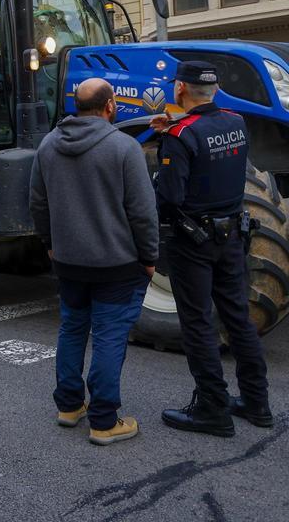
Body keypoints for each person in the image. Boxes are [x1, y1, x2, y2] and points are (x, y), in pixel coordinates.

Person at [29, 78, 158, 446]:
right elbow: (143, 213)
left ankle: (69, 406)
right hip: (116, 265)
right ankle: (103, 420)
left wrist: (50, 244)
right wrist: (149, 257)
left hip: (69, 262)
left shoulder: (48, 146)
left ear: (75, 105)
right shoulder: (124, 147)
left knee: (72, 329)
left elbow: (37, 202)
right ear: (111, 105)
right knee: (108, 337)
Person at [150, 61, 272, 436]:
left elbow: (169, 197)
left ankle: (211, 409)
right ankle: (256, 402)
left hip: (193, 242)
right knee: (237, 317)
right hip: (233, 236)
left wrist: (164, 159)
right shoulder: (236, 122)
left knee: (199, 322)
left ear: (180, 89)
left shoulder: (180, 134)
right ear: (215, 90)